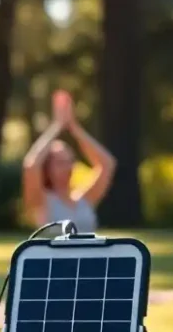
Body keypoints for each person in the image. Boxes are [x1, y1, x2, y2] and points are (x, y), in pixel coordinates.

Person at [21, 90, 115, 233]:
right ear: (47, 168)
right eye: (60, 162)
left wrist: (74, 127)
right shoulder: (40, 201)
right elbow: (31, 166)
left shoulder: (84, 199)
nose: (68, 167)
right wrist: (57, 125)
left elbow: (107, 164)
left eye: (70, 161)